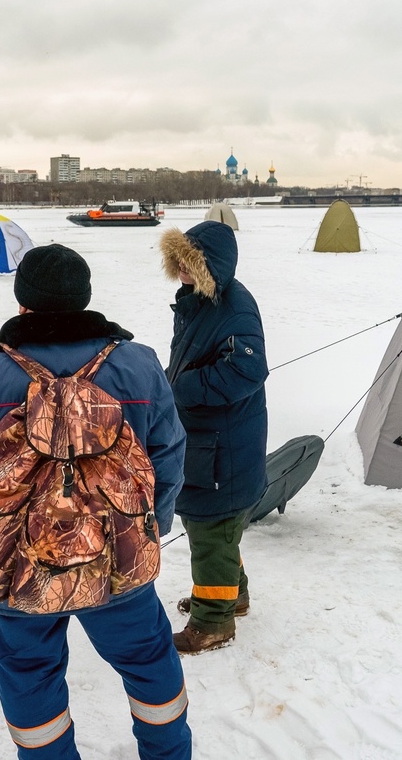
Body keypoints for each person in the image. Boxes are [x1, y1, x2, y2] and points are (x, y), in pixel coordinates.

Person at [0, 244, 192, 759]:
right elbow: (169, 453)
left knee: (30, 675)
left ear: (22, 302)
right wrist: (148, 527)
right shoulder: (137, 365)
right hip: (118, 556)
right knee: (149, 662)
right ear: (85, 298)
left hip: (13, 564)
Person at [159, 221, 269, 655]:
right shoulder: (201, 300)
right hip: (208, 439)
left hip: (224, 444)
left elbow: (245, 370)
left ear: (214, 266)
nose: (182, 265)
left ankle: (213, 621)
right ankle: (229, 595)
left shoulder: (234, 308)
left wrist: (179, 387)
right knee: (215, 531)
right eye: (179, 257)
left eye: (193, 259)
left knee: (211, 533)